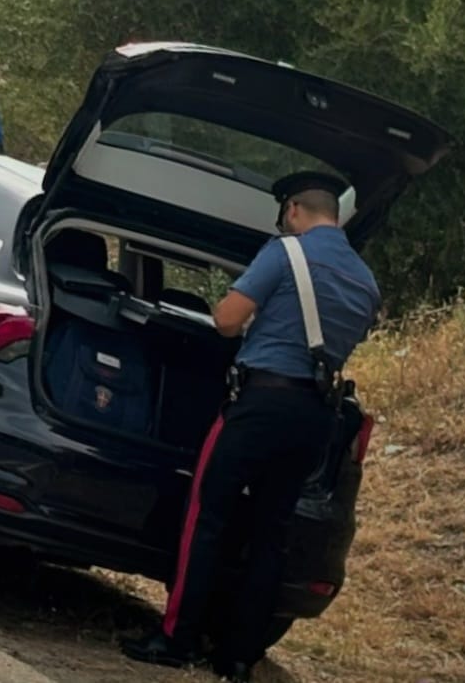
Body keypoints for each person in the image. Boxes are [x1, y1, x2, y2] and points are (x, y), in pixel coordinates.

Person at [121, 170, 381, 682]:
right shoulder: (365, 282)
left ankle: (176, 638)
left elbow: (226, 320)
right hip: (316, 418)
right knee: (271, 533)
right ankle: (238, 657)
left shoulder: (285, 253)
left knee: (208, 516)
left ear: (293, 210)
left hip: (262, 403)